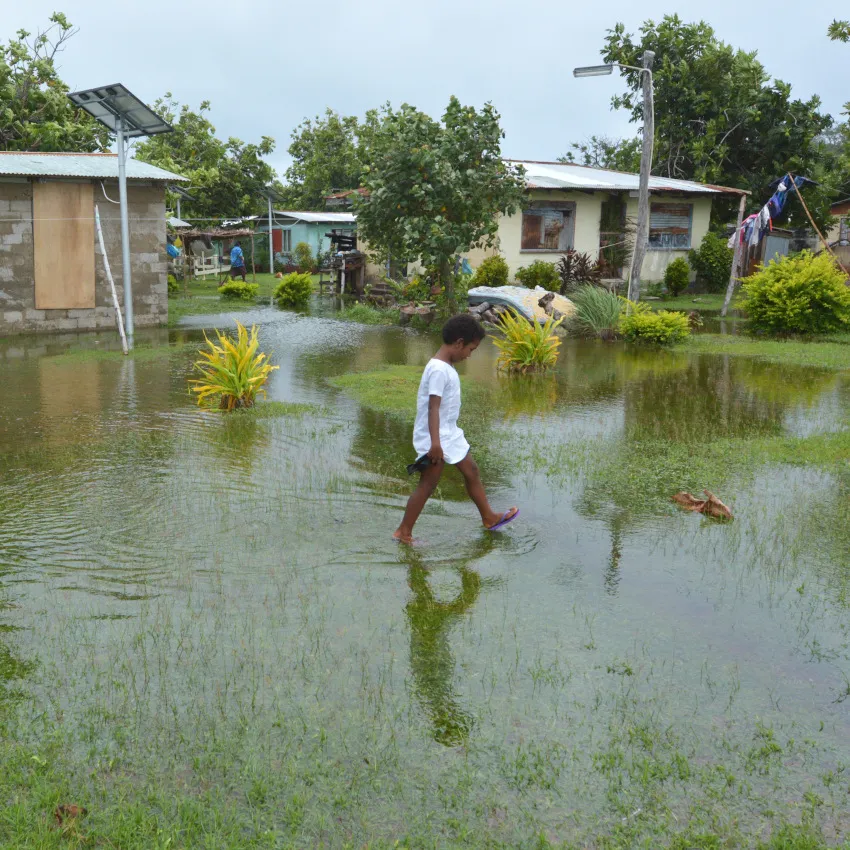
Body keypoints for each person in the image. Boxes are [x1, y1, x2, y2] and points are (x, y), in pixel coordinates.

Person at [393, 314, 519, 544]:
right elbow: (433, 407)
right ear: (459, 343)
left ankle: (489, 517)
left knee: (472, 470)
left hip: (449, 432)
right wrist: (435, 444)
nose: (469, 355)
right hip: (435, 437)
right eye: (471, 349)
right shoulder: (438, 370)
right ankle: (403, 532)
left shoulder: (446, 366)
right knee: (427, 484)